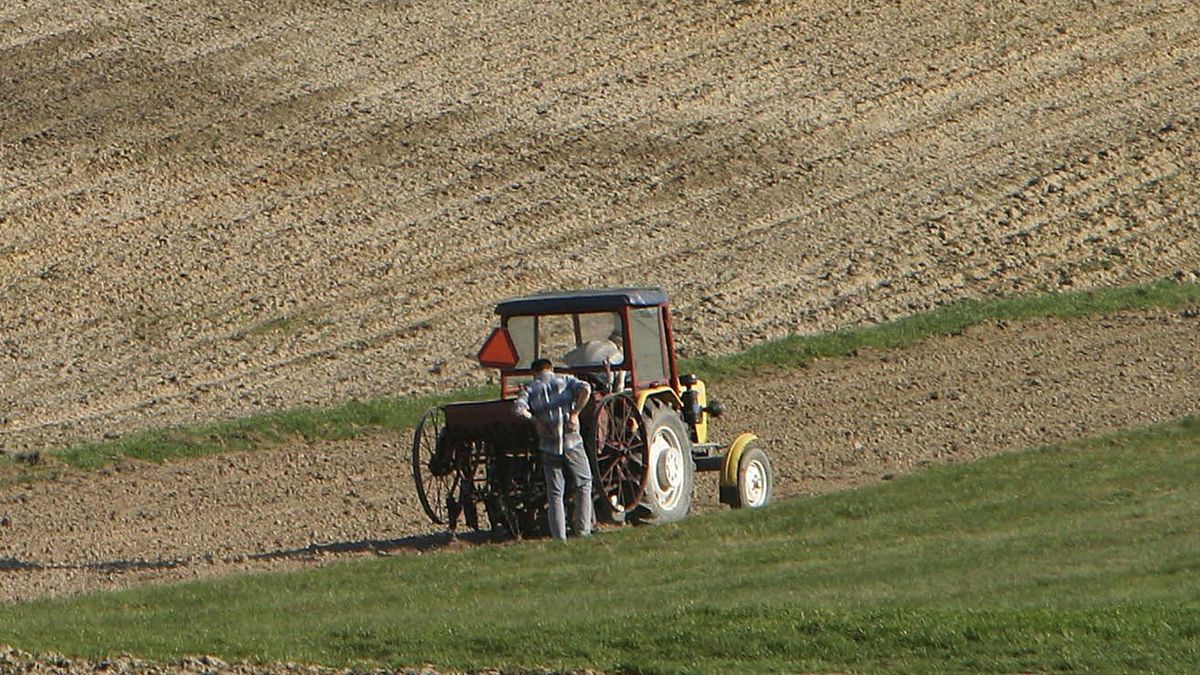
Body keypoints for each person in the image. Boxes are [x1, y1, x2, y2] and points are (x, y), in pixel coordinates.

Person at [512, 358, 593, 540]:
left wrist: (535, 421)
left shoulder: (530, 388)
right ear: (551, 368)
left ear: (534, 372)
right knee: (584, 483)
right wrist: (575, 413)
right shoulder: (566, 380)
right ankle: (583, 530)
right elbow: (586, 388)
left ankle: (559, 537)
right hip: (572, 441)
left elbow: (518, 409)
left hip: (548, 444)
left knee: (555, 492)